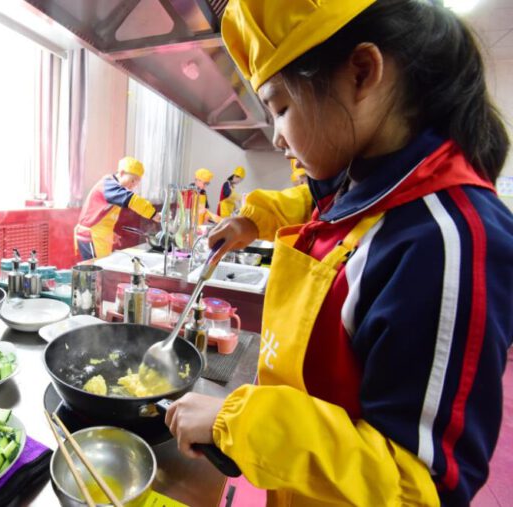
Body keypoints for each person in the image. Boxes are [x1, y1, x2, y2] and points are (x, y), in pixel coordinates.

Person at [164, 1, 513, 505]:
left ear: (362, 73)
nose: (278, 136)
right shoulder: (363, 181)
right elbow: (315, 198)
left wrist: (241, 421)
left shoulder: (447, 242)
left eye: (281, 107)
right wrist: (253, 220)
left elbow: (421, 486)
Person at [74, 156, 160, 260]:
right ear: (122, 173)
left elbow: (101, 216)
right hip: (91, 236)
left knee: (102, 269)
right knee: (95, 271)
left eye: (137, 183)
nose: (133, 185)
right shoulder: (109, 185)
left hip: (99, 235)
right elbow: (132, 200)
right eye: (132, 180)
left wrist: (110, 233)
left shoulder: (114, 188)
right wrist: (153, 214)